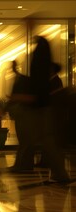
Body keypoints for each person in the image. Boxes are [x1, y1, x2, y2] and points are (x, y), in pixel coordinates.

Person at [29, 36, 70, 183]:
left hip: (49, 111)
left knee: (48, 140)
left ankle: (60, 173)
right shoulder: (49, 80)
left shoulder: (53, 81)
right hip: (49, 111)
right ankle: (58, 172)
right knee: (48, 140)